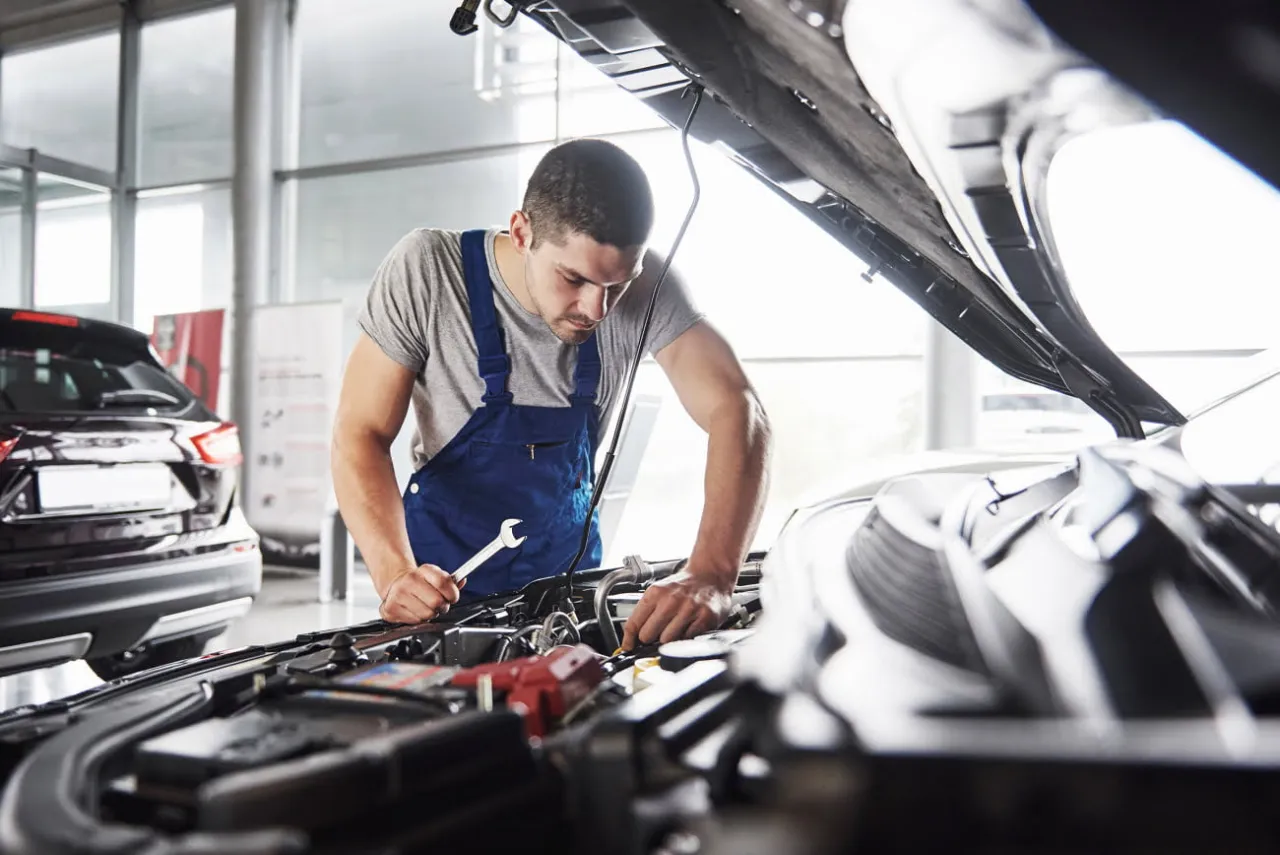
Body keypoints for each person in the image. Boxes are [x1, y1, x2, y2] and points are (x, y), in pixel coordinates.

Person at [331, 138, 771, 650]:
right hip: (436, 601)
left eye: (617, 285)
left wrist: (712, 573)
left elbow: (737, 408)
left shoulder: (647, 288)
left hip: (568, 597)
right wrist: (393, 575)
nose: (598, 309)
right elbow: (360, 433)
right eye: (574, 278)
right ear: (522, 232)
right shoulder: (430, 271)